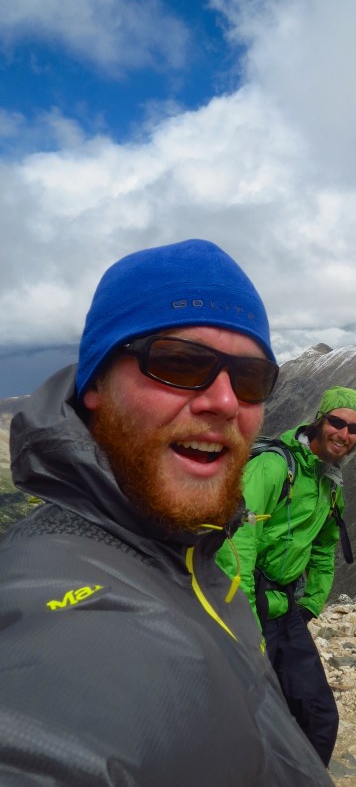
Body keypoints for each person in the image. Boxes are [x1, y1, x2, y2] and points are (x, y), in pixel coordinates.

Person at [0, 239, 333, 786]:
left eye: (249, 379)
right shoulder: (54, 587)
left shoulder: (192, 551)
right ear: (96, 385)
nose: (224, 401)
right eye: (179, 363)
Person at [217, 385, 356, 767]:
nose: (343, 434)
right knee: (251, 720)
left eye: (353, 430)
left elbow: (323, 546)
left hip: (287, 609)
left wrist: (312, 602)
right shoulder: (273, 466)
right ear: (320, 420)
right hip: (250, 607)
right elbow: (238, 542)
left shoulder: (329, 483)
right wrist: (245, 620)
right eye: (336, 422)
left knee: (319, 718)